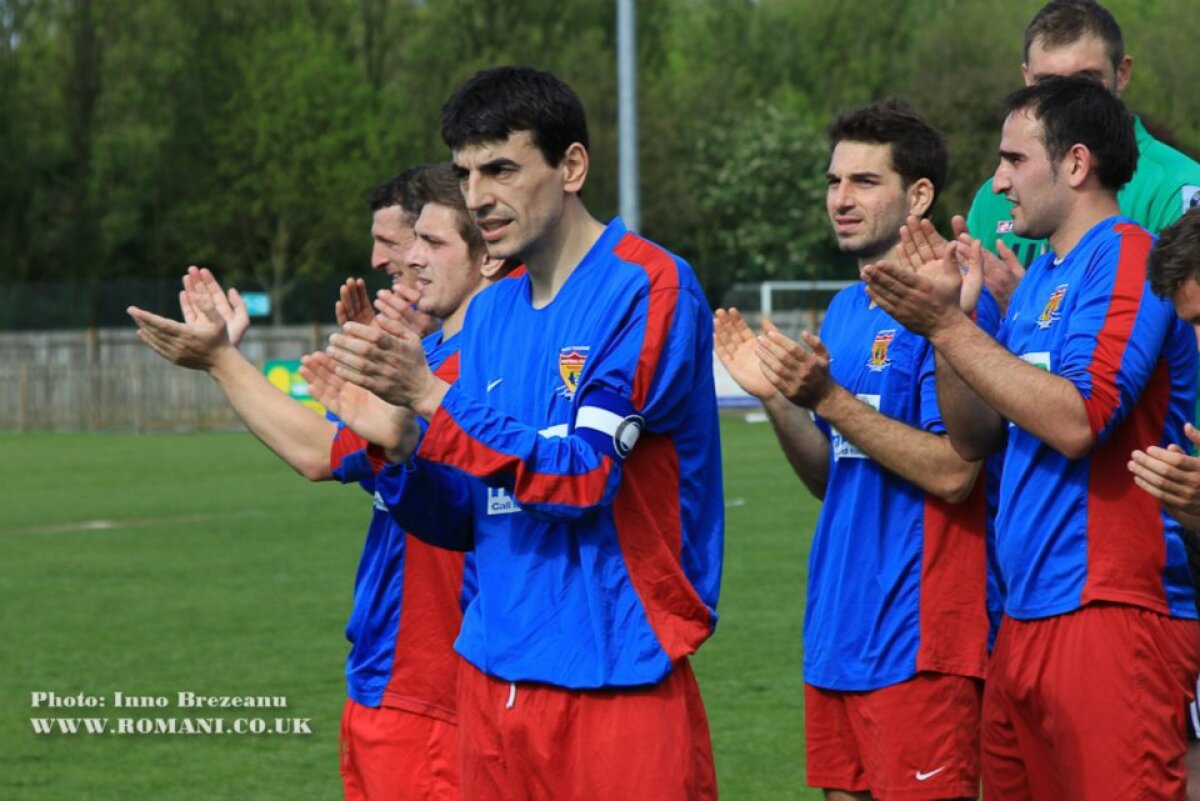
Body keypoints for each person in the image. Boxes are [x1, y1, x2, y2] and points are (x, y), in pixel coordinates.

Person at [319, 66, 723, 801]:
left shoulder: (647, 286)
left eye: (502, 168)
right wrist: (405, 448)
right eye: (467, 172)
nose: (478, 197)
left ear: (571, 166)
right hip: (490, 674)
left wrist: (433, 399)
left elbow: (582, 477)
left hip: (615, 674)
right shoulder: (494, 310)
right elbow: (469, 516)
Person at [863, 76, 1200, 801]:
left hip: (1111, 612)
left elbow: (1079, 419)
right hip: (1022, 616)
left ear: (1076, 164)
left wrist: (947, 329)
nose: (998, 180)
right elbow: (976, 434)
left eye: (1014, 160)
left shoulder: (1126, 257)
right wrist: (959, 323)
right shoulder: (1045, 273)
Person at [127, 163, 507, 801]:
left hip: (428, 686)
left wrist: (221, 360)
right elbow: (342, 450)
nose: (400, 259)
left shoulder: (467, 368)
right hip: (394, 675)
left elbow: (320, 453)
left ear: (485, 256)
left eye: (423, 241)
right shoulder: (436, 357)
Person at [714, 98, 992, 801]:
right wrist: (777, 398)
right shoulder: (845, 309)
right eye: (835, 181)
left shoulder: (953, 307)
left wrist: (829, 399)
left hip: (920, 637)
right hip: (839, 627)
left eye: (865, 182)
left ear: (918, 194)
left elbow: (957, 471)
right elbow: (831, 476)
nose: (841, 198)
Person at [965, 0, 1200, 311]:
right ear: (1026, 79)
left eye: (1086, 82)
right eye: (1048, 85)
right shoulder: (993, 199)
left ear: (1122, 73)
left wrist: (1026, 304)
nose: (1068, 101)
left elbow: (1180, 328)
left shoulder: (1177, 187)